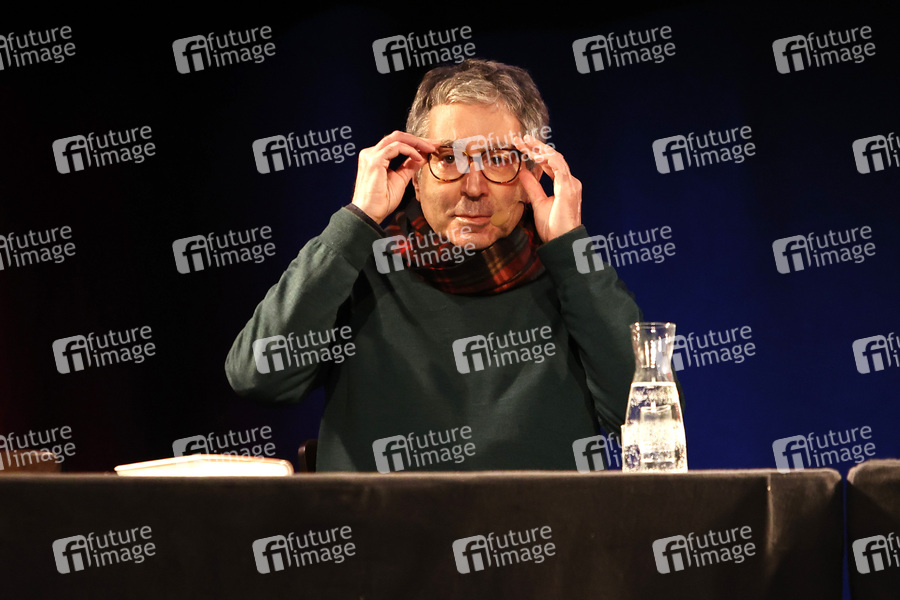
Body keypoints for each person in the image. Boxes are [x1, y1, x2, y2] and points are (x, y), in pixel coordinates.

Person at [226, 59, 644, 471]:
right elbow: (257, 377)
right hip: (381, 517)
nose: (474, 187)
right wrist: (354, 222)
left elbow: (642, 423)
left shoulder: (568, 276)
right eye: (448, 158)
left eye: (498, 159)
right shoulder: (357, 266)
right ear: (416, 172)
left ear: (532, 173)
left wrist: (571, 253)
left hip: (540, 518)